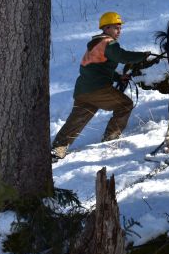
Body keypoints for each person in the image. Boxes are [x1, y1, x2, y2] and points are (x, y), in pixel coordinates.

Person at [51, 11, 152, 160]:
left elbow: (97, 67)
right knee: (125, 105)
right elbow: (122, 56)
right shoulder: (107, 42)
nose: (119, 31)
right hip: (97, 88)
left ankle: (56, 150)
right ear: (106, 28)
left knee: (76, 120)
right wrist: (142, 56)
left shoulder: (95, 45)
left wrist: (118, 77)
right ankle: (111, 139)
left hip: (83, 91)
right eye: (116, 27)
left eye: (120, 28)